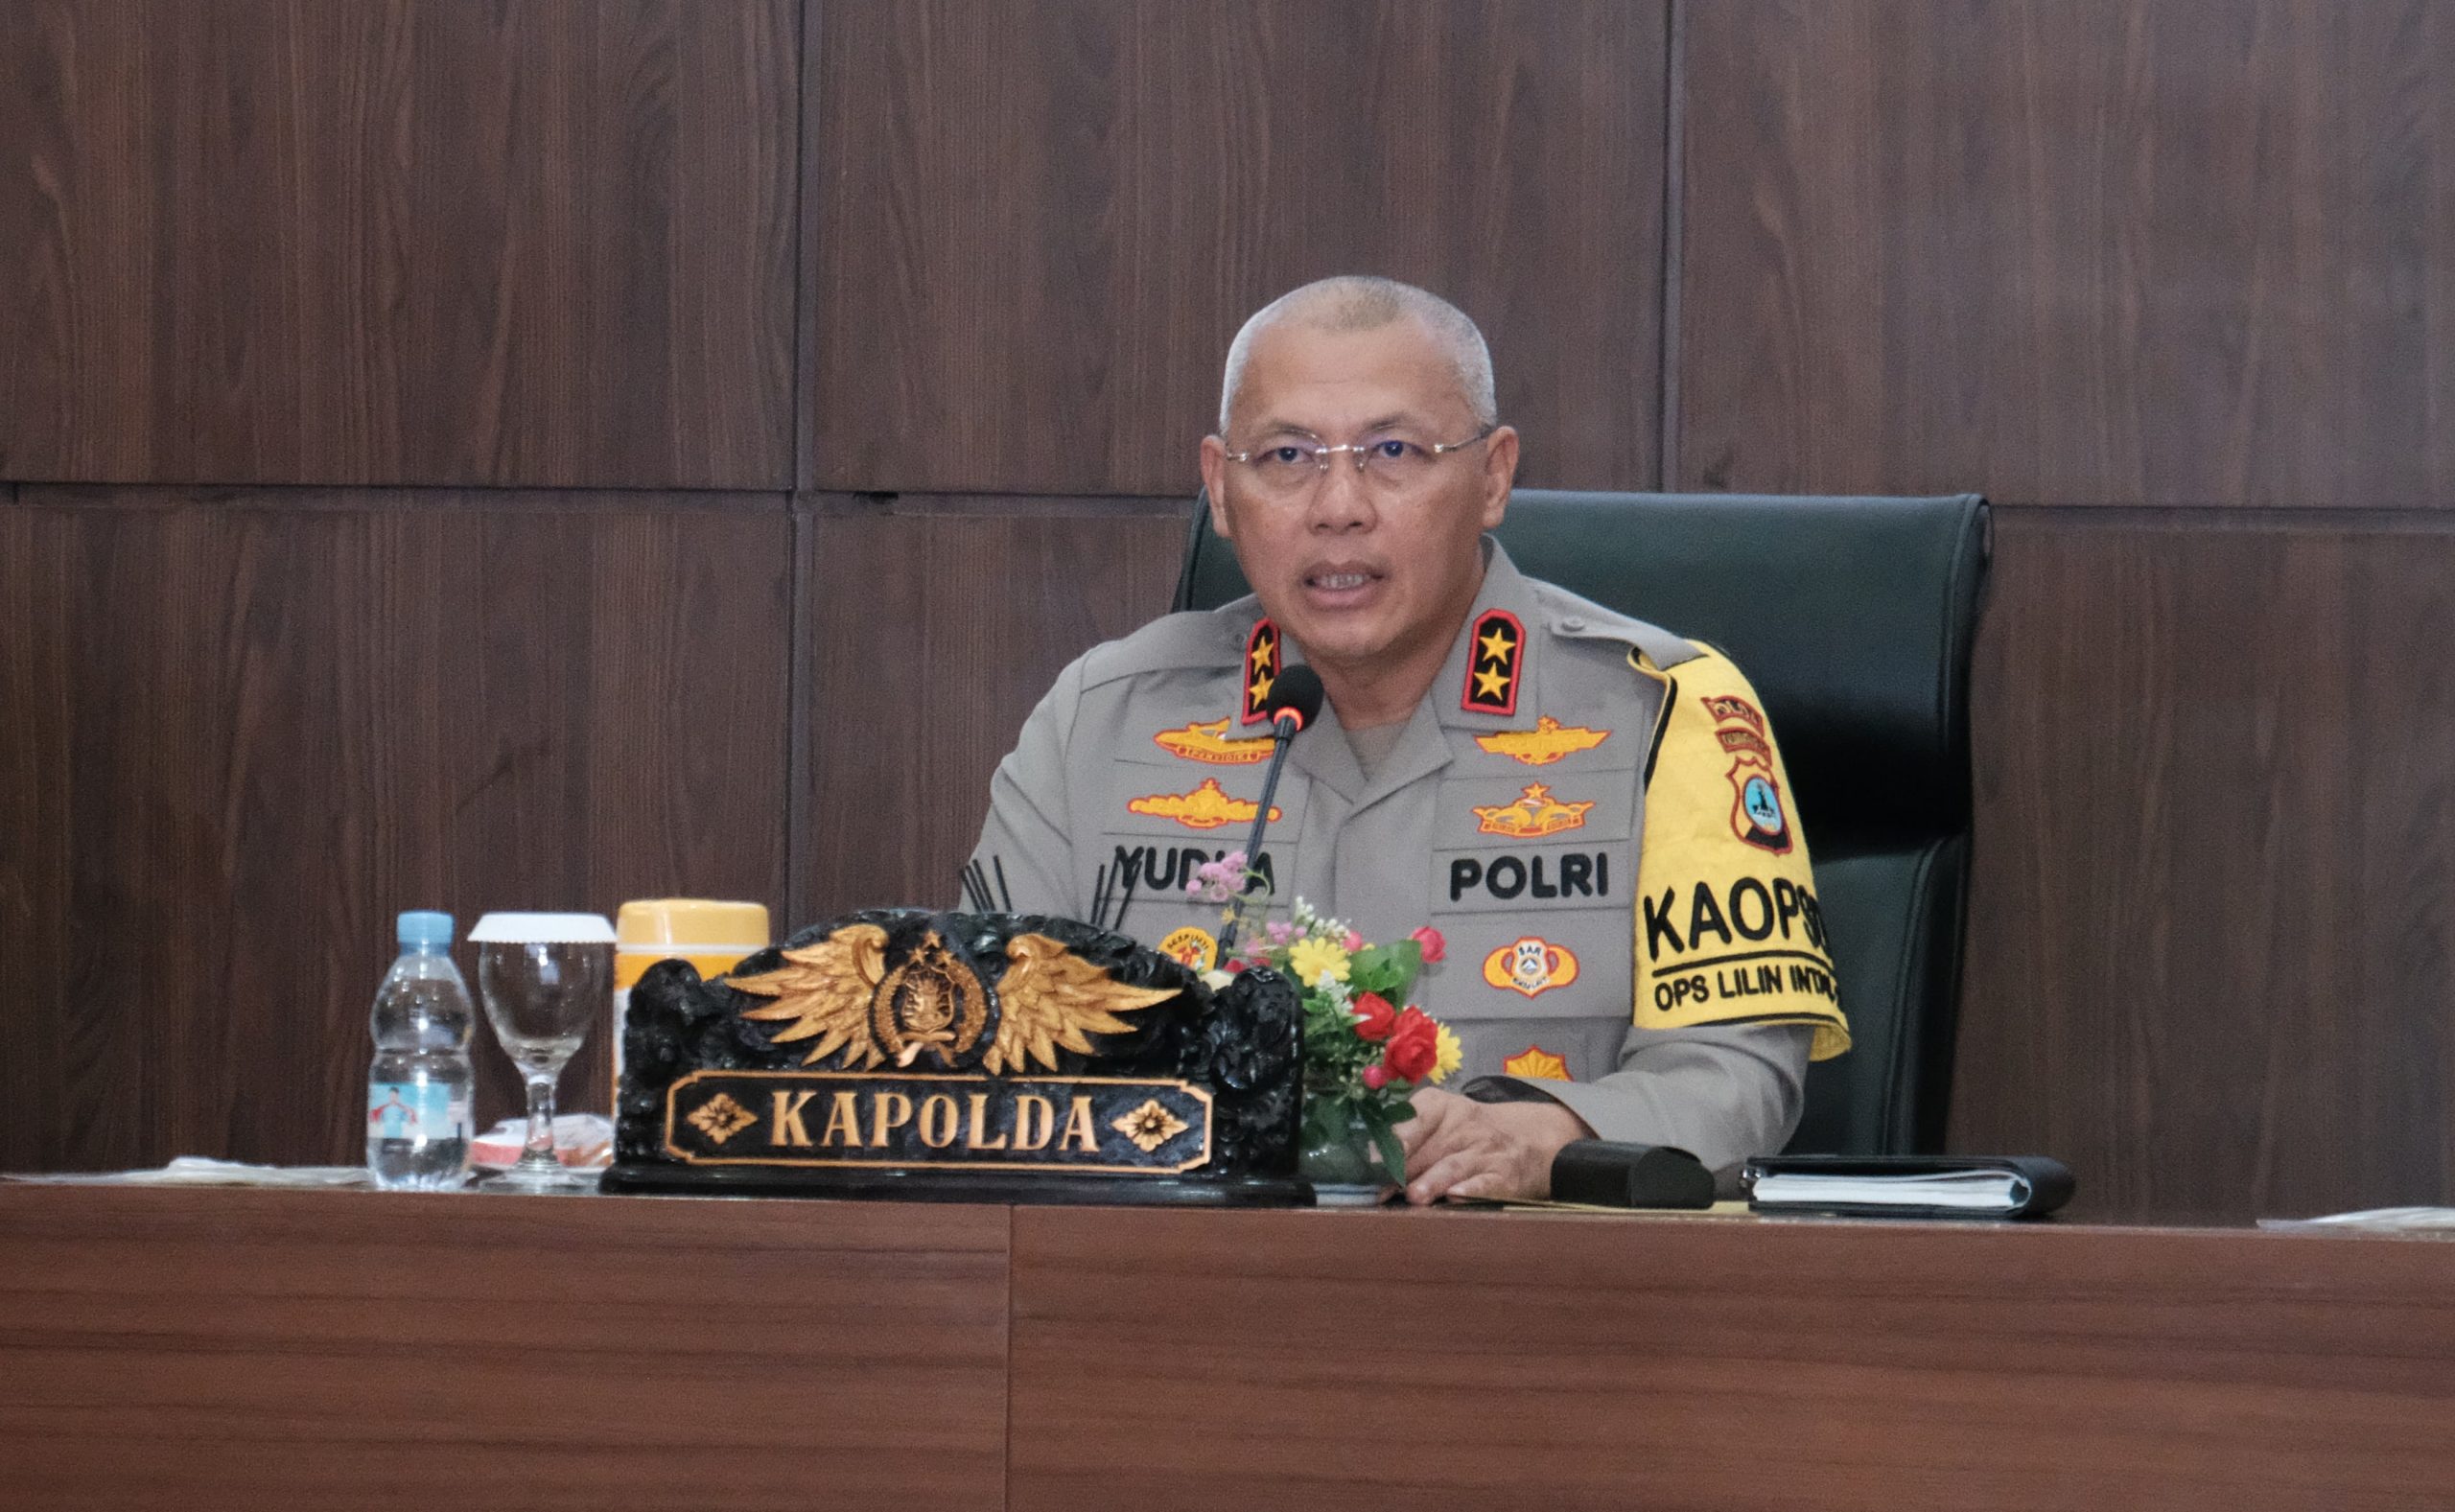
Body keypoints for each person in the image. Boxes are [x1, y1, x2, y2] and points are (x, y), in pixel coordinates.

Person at [968, 276, 1847, 1201]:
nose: (1338, 504)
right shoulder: (1100, 722)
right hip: (1175, 1273)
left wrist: (1548, 1138)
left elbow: (1738, 1074)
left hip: (1534, 1276)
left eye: (1394, 451)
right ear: (1221, 490)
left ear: (1494, 476)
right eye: (1288, 455)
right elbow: (980, 1055)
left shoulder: (1664, 711)